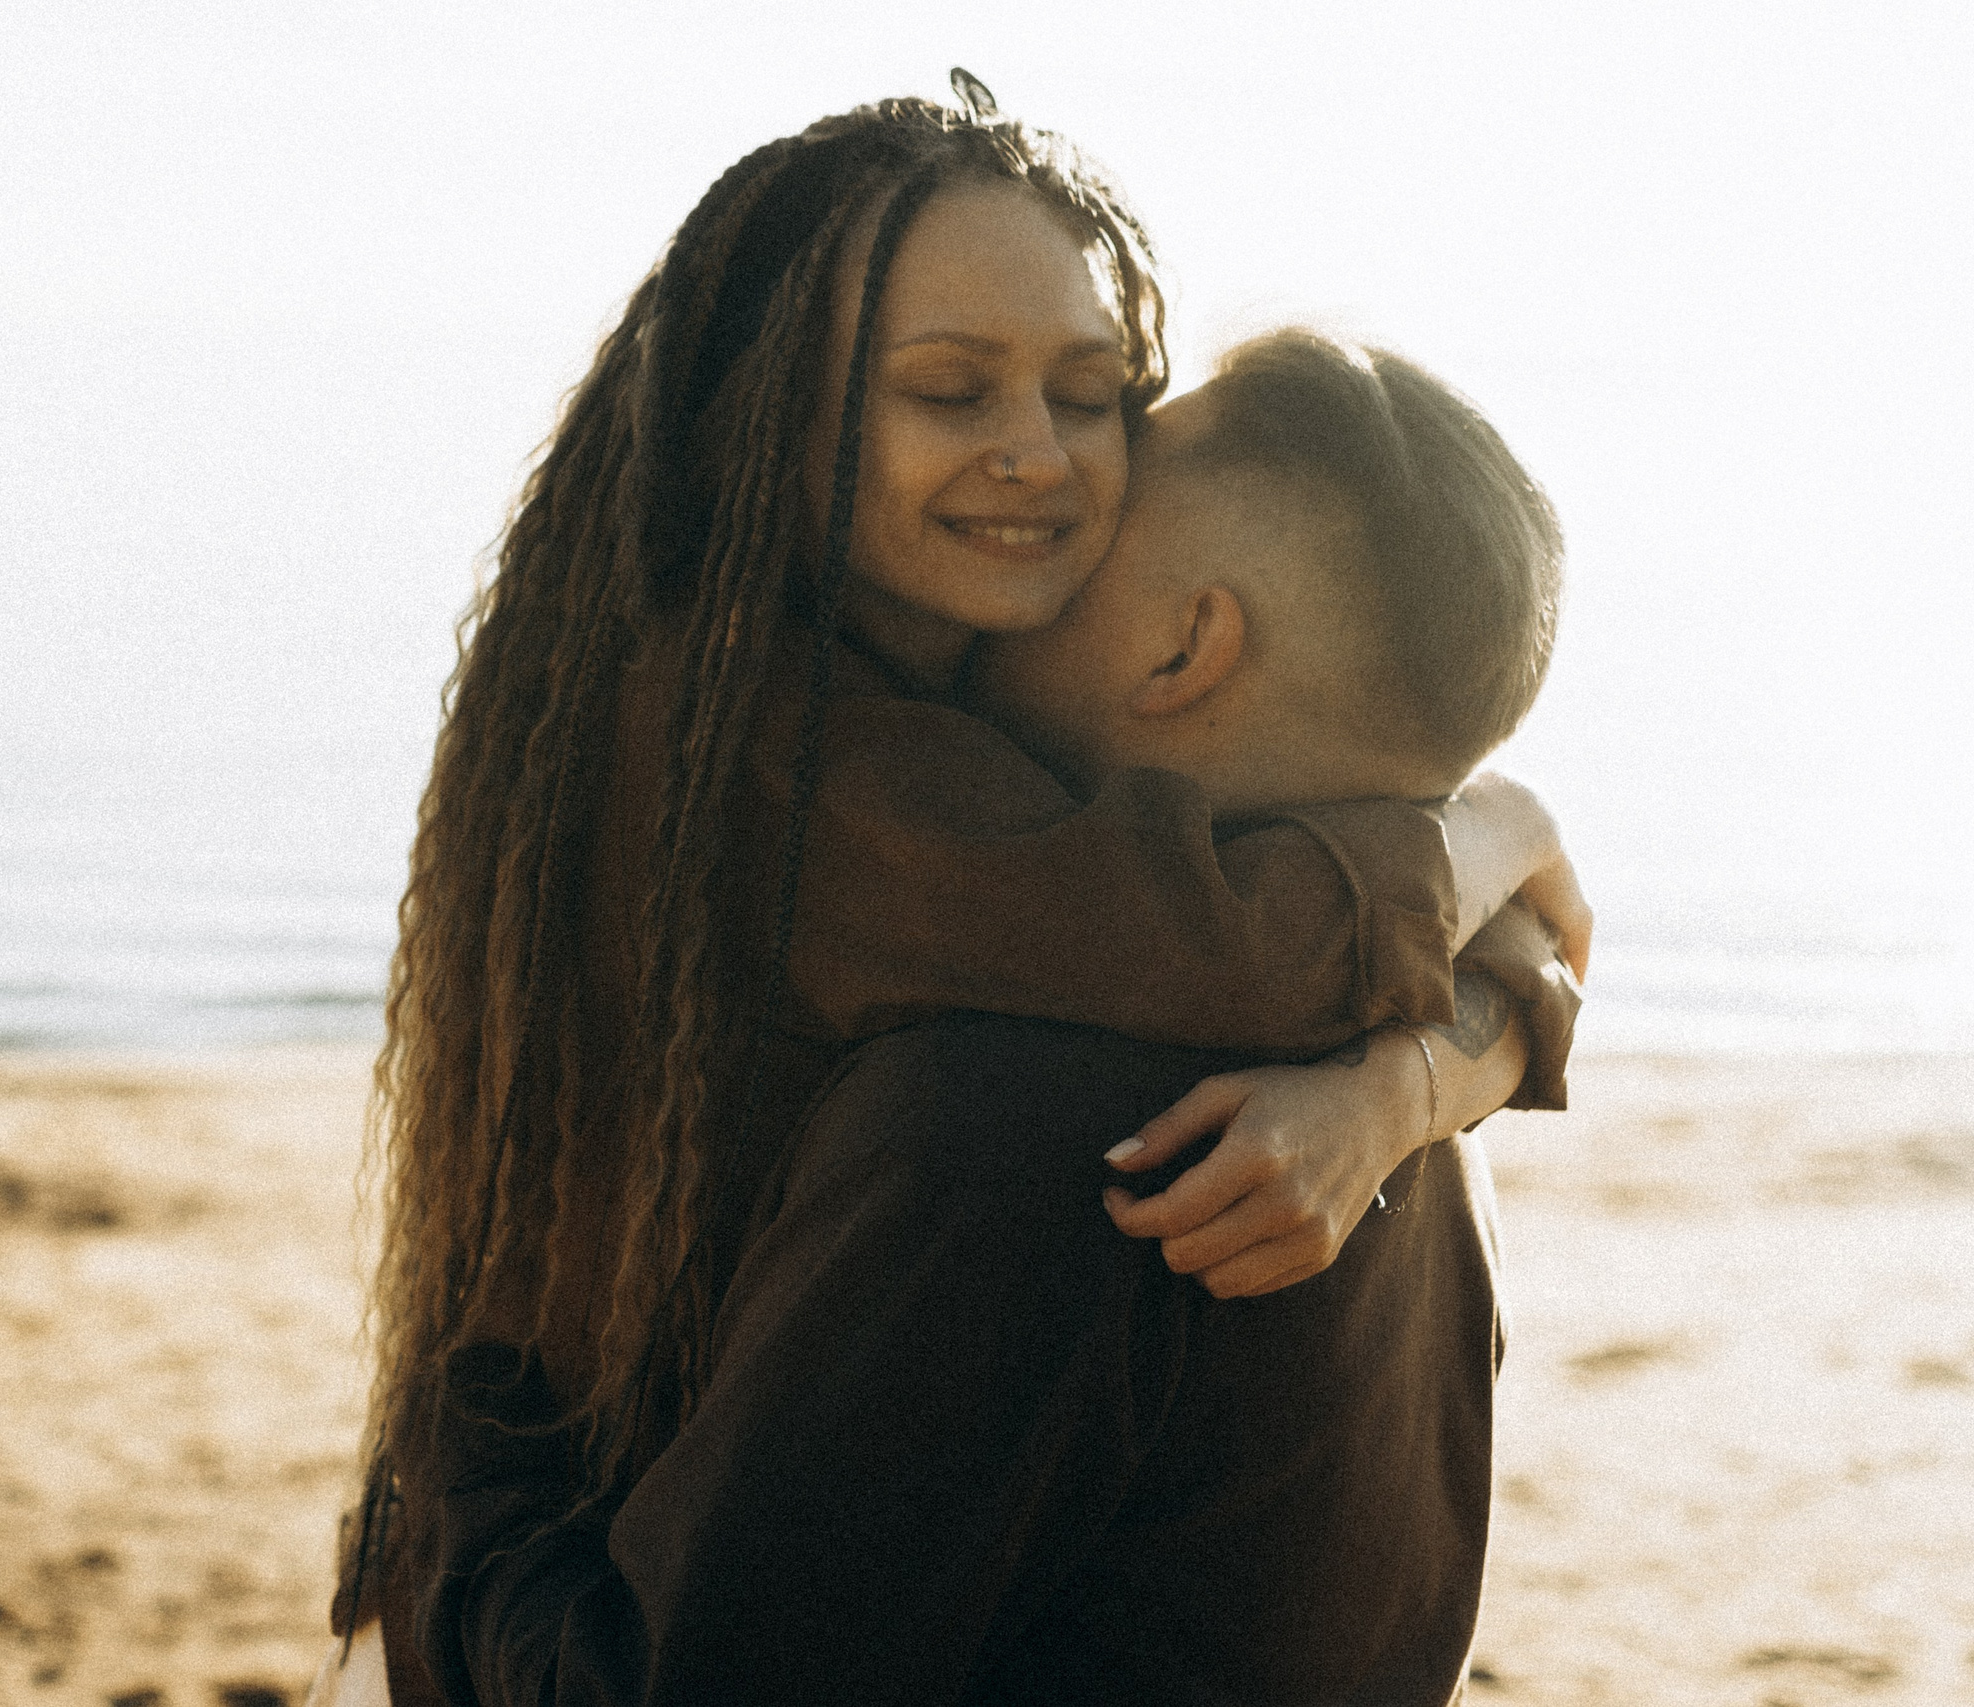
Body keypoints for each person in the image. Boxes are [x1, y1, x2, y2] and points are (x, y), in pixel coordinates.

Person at [328, 81, 1583, 1704]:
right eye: (946, 389)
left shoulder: (1014, 1115)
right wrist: (1476, 900)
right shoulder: (774, 773)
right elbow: (1227, 934)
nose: (1047, 464)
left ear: (1190, 646)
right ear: (773, 407)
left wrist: (455, 1481)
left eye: (1095, 397)